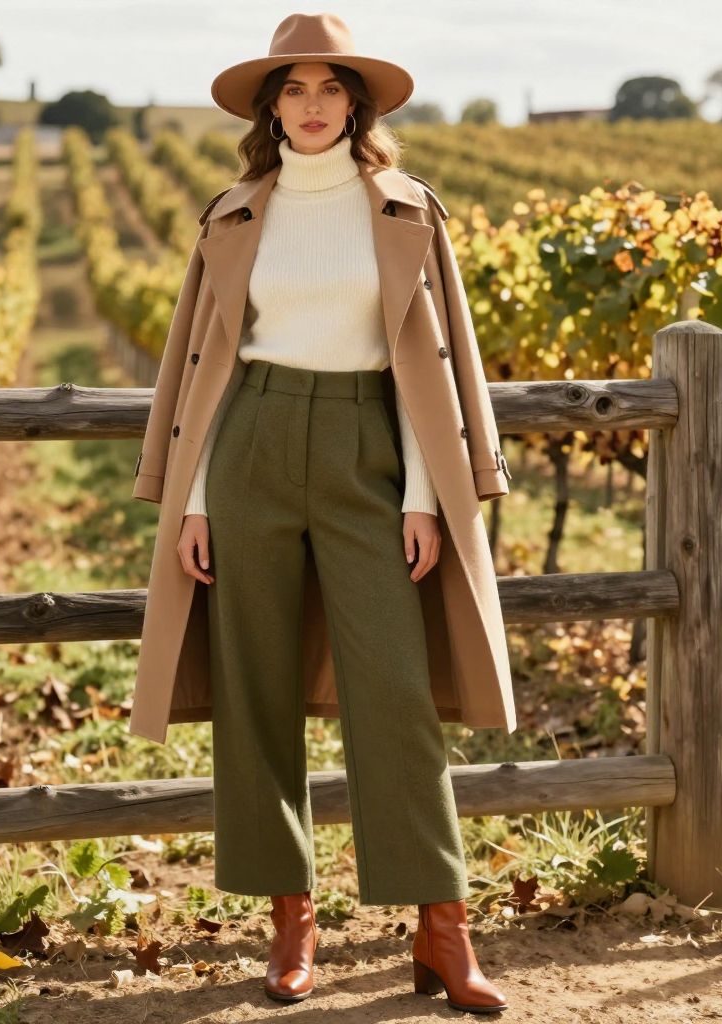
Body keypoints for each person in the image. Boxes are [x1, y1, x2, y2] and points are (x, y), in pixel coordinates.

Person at [159, 12, 510, 1014]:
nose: (311, 107)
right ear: (271, 108)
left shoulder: (406, 211)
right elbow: (199, 372)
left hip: (369, 450)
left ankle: (443, 930)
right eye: (292, 90)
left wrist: (418, 494)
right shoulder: (232, 214)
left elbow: (428, 371)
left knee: (396, 693)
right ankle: (290, 924)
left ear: (355, 102)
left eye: (328, 89)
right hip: (251, 452)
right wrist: (192, 502)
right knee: (254, 689)